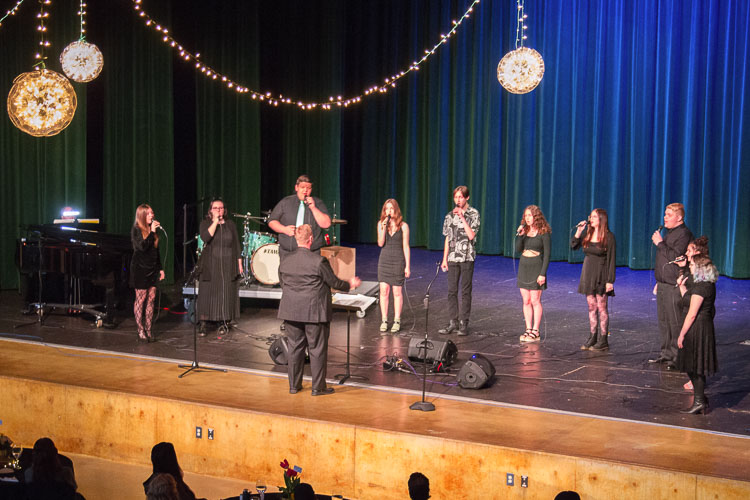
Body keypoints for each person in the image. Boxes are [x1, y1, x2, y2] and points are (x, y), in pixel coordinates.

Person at [278, 224, 361, 396]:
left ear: (296, 239)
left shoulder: (285, 260)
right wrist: (350, 284)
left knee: (294, 349)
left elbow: (283, 282)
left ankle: (294, 386)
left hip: (291, 310)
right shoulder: (318, 261)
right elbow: (334, 283)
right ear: (311, 240)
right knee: (316, 349)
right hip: (314, 312)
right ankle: (318, 387)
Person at [675, 238, 718, 414]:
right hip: (697, 327)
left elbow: (692, 313)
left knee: (696, 366)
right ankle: (701, 399)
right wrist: (681, 286)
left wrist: (682, 334)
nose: (690, 269)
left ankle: (699, 401)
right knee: (692, 366)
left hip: (698, 329)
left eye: (693, 267)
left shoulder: (702, 287)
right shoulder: (698, 285)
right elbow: (686, 300)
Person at [650, 203, 693, 369]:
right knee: (664, 320)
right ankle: (666, 353)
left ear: (679, 217)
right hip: (663, 283)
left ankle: (677, 358)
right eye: (665, 214)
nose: (665, 217)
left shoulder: (684, 234)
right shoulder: (669, 233)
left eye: (669, 214)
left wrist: (660, 244)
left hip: (674, 284)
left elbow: (676, 257)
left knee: (675, 322)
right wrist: (658, 280)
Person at [571, 208, 616, 351]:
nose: (591, 219)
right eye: (591, 216)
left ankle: (603, 339)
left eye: (595, 217)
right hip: (588, 273)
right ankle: (592, 336)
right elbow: (573, 246)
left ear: (601, 219)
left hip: (601, 273)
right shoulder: (588, 234)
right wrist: (578, 232)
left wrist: (610, 281)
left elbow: (611, 260)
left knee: (602, 307)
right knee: (591, 306)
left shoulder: (609, 237)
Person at [197, 198, 243, 336]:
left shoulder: (230, 224)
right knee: (207, 294)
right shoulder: (205, 223)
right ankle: (203, 323)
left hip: (228, 264)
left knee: (226, 292)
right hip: (211, 264)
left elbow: (236, 244)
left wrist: (239, 263)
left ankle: (223, 321)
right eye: (216, 208)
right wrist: (215, 221)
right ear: (210, 210)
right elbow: (206, 237)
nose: (219, 210)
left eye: (221, 208)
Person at [438, 186, 480, 336]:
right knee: (451, 291)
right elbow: (447, 238)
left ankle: (464, 323)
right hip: (452, 257)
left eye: (461, 197)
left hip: (467, 257)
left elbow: (471, 236)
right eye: (456, 197)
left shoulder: (474, 214)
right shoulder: (449, 216)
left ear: (467, 198)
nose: (458, 200)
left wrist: (462, 217)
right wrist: (444, 258)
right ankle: (453, 322)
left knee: (465, 291)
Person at [268, 174, 331, 260]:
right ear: (296, 188)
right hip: (288, 253)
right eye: (302, 187)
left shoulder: (318, 203)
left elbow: (326, 224)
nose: (305, 190)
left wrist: (313, 208)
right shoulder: (286, 202)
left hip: (311, 253)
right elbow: (272, 221)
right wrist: (284, 229)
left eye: (308, 188)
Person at [515, 205, 551, 343]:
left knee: (535, 299)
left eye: (530, 215)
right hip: (524, 267)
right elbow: (518, 249)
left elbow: (547, 255)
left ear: (536, 216)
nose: (527, 218)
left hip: (536, 267)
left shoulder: (544, 232)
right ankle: (528, 328)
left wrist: (543, 274)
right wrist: (520, 234)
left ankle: (536, 331)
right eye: (526, 216)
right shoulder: (525, 231)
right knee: (526, 300)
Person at [130, 204, 165, 342]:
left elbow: (155, 251)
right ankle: (140, 329)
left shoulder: (153, 231)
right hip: (140, 269)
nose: (152, 215)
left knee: (151, 298)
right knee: (141, 297)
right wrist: (151, 232)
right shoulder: (136, 230)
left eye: (152, 213)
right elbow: (142, 247)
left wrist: (161, 268)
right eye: (149, 213)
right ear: (142, 215)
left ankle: (149, 328)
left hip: (153, 269)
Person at [377, 199, 411, 334]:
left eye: (391, 209)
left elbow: (406, 247)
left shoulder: (403, 226)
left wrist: (407, 266)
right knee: (384, 291)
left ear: (396, 210)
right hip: (384, 260)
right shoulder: (381, 223)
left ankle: (397, 320)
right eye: (386, 209)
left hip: (398, 260)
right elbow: (380, 243)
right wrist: (383, 227)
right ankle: (384, 320)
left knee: (397, 292)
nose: (389, 211)